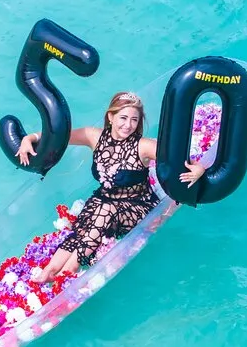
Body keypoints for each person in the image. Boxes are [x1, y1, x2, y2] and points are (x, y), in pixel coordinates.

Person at [15, 91, 206, 283]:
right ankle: (50, 270)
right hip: (103, 199)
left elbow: (179, 160)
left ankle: (69, 270)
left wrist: (199, 168)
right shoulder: (93, 136)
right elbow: (58, 137)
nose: (128, 125)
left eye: (134, 120)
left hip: (137, 206)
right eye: (123, 118)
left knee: (105, 211)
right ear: (110, 116)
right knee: (86, 225)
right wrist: (29, 138)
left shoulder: (143, 146)